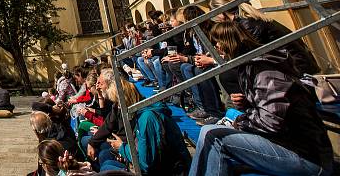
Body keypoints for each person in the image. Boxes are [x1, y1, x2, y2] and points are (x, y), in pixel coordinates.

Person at [189, 21, 333, 176]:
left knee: (212, 135)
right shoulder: (254, 66)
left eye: (216, 42)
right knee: (212, 131)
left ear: (226, 43)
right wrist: (248, 102)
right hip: (292, 146)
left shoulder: (265, 71)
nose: (215, 47)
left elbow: (270, 121)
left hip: (307, 157)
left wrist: (239, 122)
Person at [103, 78, 191, 175]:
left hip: (169, 171)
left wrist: (122, 148)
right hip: (164, 167)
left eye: (118, 103)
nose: (118, 107)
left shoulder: (147, 118)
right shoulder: (144, 112)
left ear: (125, 101)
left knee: (106, 167)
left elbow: (146, 163)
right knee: (107, 162)